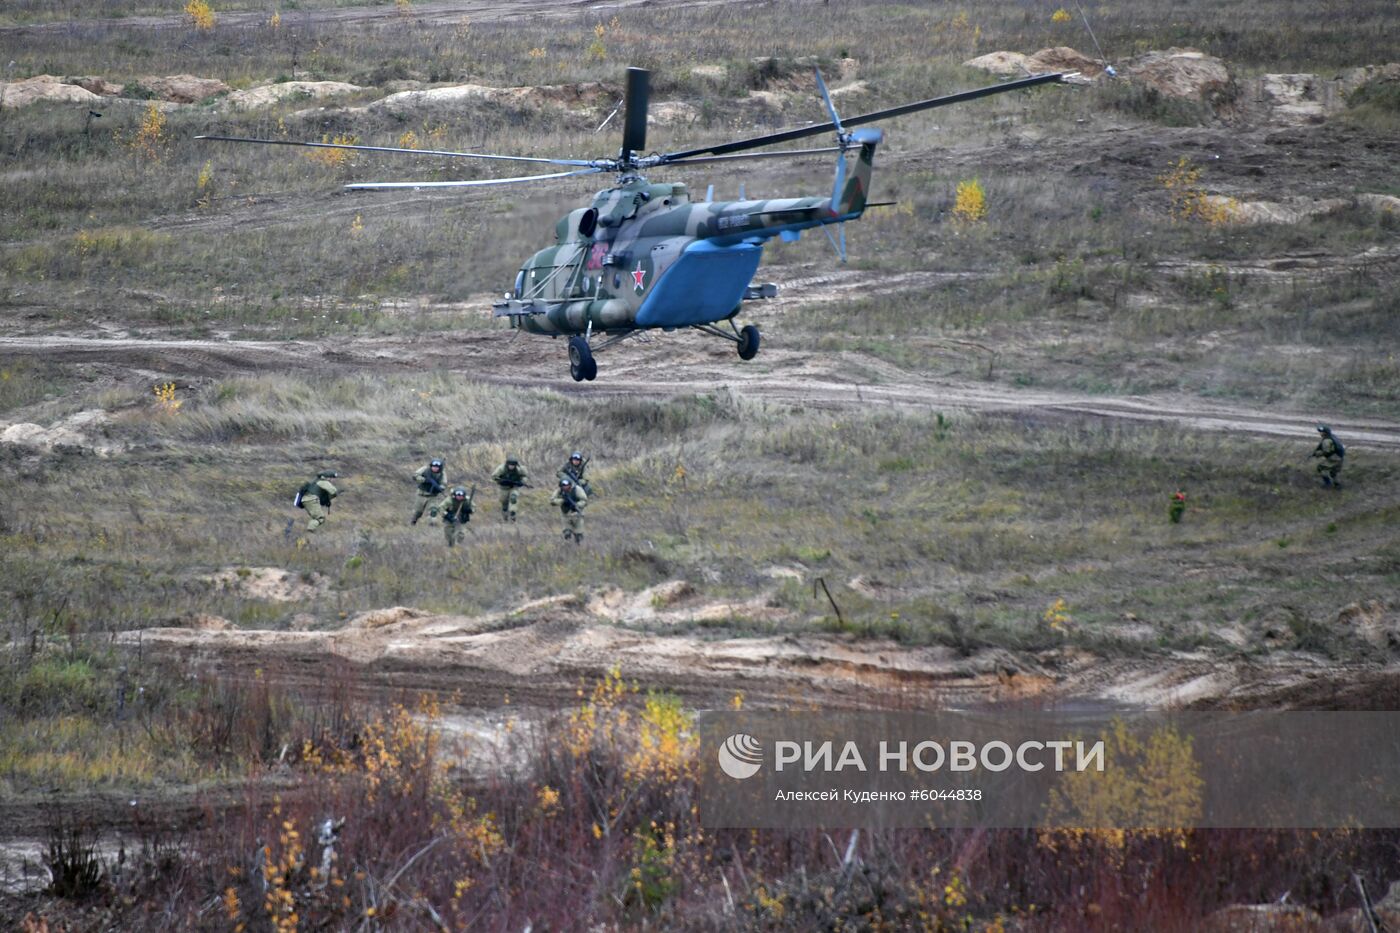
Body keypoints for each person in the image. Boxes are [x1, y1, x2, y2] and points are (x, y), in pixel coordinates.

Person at [550, 476, 588, 544]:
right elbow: (552, 500)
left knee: (579, 535)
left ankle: (579, 546)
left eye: (567, 485)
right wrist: (562, 501)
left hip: (576, 514)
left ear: (570, 485)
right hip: (565, 514)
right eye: (563, 486)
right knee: (567, 533)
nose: (565, 487)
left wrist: (577, 505)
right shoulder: (559, 490)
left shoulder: (577, 489)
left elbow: (584, 500)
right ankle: (567, 547)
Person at [491, 456, 529, 522]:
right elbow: (494, 477)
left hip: (514, 487)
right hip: (504, 488)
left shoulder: (520, 469)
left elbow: (524, 476)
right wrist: (501, 481)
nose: (511, 467)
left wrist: (522, 482)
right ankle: (505, 514)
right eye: (510, 465)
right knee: (504, 501)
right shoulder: (501, 468)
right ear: (507, 464)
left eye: (513, 465)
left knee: (513, 499)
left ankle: (513, 515)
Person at [410, 458, 446, 525]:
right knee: (418, 512)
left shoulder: (442, 473)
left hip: (433, 496)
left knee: (433, 511)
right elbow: (415, 476)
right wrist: (424, 480)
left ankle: (432, 524)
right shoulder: (425, 469)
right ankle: (413, 522)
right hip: (421, 494)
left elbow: (443, 483)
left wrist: (440, 488)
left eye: (437, 467)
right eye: (434, 466)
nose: (435, 468)